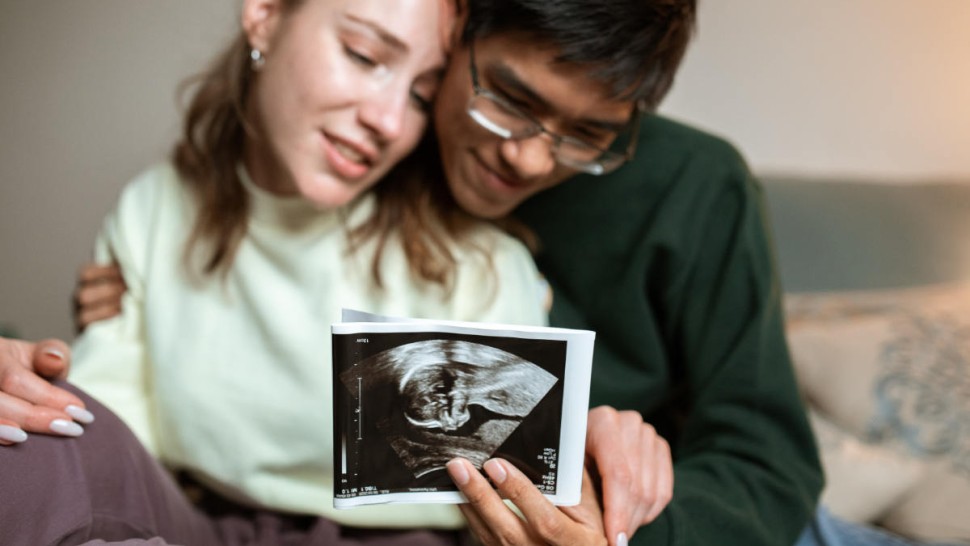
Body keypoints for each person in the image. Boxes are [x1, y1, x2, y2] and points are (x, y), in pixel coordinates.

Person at [1, 0, 783, 545]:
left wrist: (608, 491)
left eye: (589, 134)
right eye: (507, 98)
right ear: (463, 29)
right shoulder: (172, 204)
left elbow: (760, 454)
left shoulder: (681, 191)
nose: (532, 157)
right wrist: (48, 374)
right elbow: (104, 429)